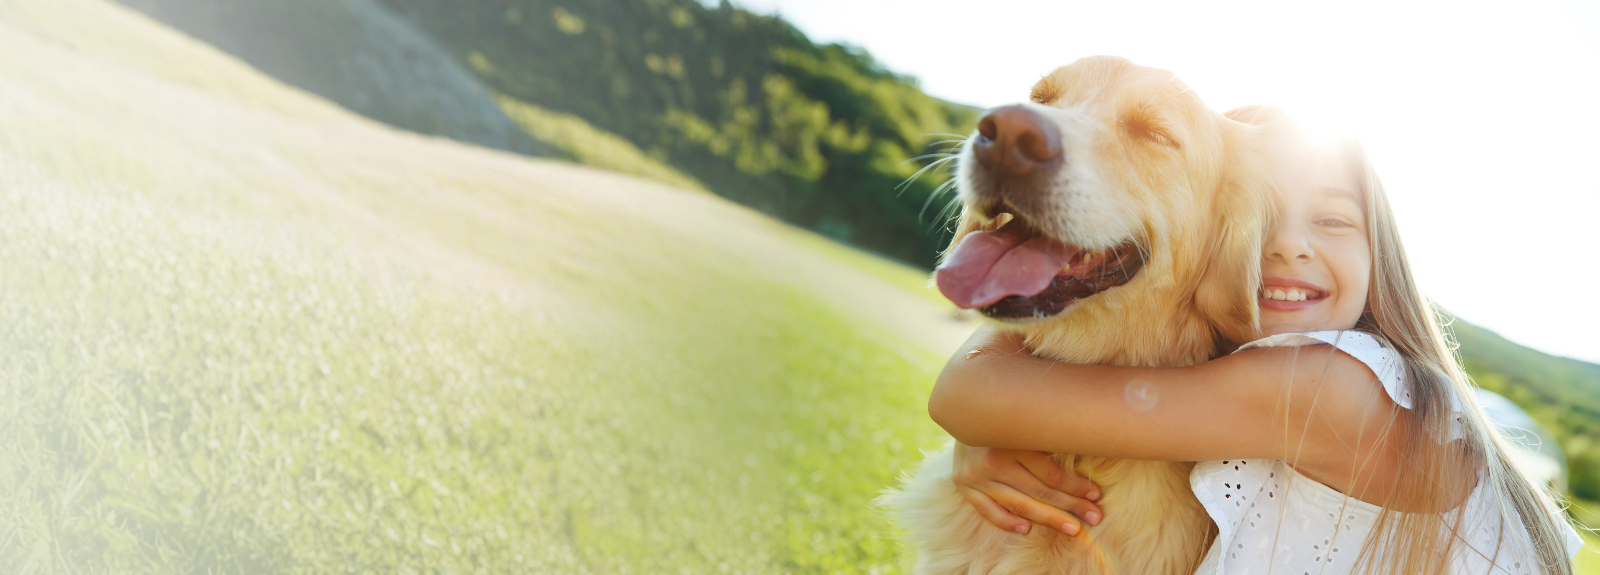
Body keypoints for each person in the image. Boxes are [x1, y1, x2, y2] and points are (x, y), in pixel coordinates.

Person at [928, 106, 1584, 574]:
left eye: (1331, 219)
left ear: (1381, 259)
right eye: (1257, 216)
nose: (1288, 244)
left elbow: (971, 396)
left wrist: (982, 429)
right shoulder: (1255, 379)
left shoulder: (1329, 388)